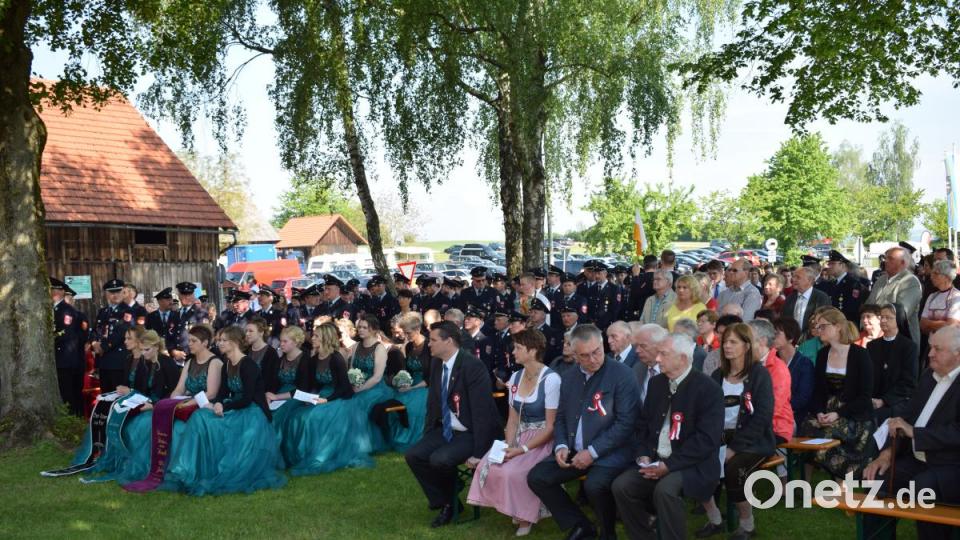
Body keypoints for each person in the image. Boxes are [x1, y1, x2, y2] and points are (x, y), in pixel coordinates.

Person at [527, 324, 640, 540]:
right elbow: (560, 416)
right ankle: (582, 525)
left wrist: (592, 452)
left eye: (596, 352)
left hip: (610, 451)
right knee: (538, 477)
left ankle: (608, 534)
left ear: (602, 345)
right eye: (585, 356)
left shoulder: (622, 375)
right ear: (575, 354)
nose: (593, 359)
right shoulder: (569, 377)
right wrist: (560, 445)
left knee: (594, 485)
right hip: (574, 449)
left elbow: (626, 423)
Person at [611, 332, 723, 540]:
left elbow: (706, 440)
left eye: (664, 354)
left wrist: (669, 465)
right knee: (621, 486)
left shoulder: (708, 390)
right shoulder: (657, 384)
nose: (658, 359)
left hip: (693, 465)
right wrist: (643, 455)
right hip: (655, 459)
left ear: (682, 358)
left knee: (665, 490)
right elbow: (643, 425)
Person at [160, 326, 285, 495]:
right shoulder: (227, 363)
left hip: (252, 412)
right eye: (219, 340)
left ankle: (195, 468)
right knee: (200, 416)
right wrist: (218, 403)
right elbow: (222, 393)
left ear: (234, 343)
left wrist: (223, 406)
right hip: (234, 405)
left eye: (223, 340)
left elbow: (248, 398)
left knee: (206, 420)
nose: (219, 343)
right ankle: (187, 469)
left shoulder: (249, 365)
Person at [862, 325, 960, 540]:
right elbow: (903, 418)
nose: (930, 353)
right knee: (874, 479)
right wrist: (886, 454)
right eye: (931, 347)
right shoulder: (928, 376)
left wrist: (914, 432)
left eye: (938, 349)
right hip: (918, 460)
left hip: (951, 465)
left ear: (958, 353)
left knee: (923, 488)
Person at [405, 321, 502, 528]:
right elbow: (433, 403)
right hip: (446, 428)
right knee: (414, 455)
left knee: (439, 459)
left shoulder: (472, 366)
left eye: (433, 340)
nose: (428, 344)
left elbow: (482, 413)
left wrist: (479, 451)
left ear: (449, 341)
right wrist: (428, 433)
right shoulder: (437, 363)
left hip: (471, 432)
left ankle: (447, 504)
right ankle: (447, 499)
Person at [468, 329, 559, 536]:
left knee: (513, 472)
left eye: (518, 348)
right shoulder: (516, 377)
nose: (514, 352)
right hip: (519, 435)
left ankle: (525, 516)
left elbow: (551, 426)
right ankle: (512, 507)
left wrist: (523, 449)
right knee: (488, 463)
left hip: (542, 439)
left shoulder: (551, 380)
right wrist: (510, 445)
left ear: (533, 350)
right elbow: (512, 419)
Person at [699, 324, 776, 539]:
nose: (727, 346)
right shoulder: (717, 375)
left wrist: (734, 447)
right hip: (719, 436)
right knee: (696, 462)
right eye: (725, 342)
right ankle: (715, 519)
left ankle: (747, 525)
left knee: (734, 469)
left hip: (753, 440)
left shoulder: (759, 375)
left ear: (747, 345)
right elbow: (706, 411)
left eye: (733, 342)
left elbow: (762, 416)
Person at [77, 330, 180, 484]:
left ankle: (141, 465)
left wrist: (154, 405)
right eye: (143, 349)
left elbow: (175, 391)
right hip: (145, 402)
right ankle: (114, 459)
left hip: (162, 406)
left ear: (156, 347)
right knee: (115, 414)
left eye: (147, 350)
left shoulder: (167, 362)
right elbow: (143, 389)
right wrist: (135, 396)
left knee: (139, 425)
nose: (144, 353)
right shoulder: (145, 362)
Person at [799, 308, 875, 478]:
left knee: (824, 434)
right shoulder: (822, 354)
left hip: (854, 416)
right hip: (828, 412)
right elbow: (818, 391)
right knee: (806, 428)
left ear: (838, 327)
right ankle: (803, 485)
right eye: (817, 326)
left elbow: (865, 396)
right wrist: (819, 412)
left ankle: (841, 479)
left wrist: (838, 414)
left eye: (823, 326)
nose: (819, 330)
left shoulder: (860, 355)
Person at [282, 322, 366, 475]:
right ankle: (298, 456)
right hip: (320, 395)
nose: (312, 338)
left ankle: (318, 455)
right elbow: (310, 384)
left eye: (316, 336)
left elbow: (344, 387)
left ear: (325, 339)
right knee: (296, 416)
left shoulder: (336, 358)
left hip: (337, 398)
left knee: (312, 417)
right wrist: (308, 397)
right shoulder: (313, 360)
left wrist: (326, 400)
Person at [348, 315, 394, 454]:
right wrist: (352, 383)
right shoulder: (356, 346)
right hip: (356, 385)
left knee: (358, 406)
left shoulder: (379, 348)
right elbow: (350, 369)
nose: (360, 330)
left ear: (373, 330)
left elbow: (377, 377)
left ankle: (363, 444)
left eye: (364, 327)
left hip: (375, 388)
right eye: (359, 327)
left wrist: (360, 389)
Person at [865, 304, 918, 424]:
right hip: (872, 400)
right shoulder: (872, 346)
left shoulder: (908, 347)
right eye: (881, 317)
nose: (883, 320)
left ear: (898, 320)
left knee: (873, 418)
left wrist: (884, 401)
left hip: (896, 401)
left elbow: (909, 383)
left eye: (888, 317)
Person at [387, 312, 431, 452]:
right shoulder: (409, 347)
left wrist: (412, 388)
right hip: (411, 385)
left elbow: (431, 377)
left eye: (409, 332)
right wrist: (402, 381)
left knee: (411, 406)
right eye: (404, 333)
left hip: (426, 386)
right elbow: (408, 372)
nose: (406, 336)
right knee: (394, 401)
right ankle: (395, 437)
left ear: (418, 330)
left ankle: (412, 439)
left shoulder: (429, 346)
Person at [748, 319, 794, 444]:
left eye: (748, 339)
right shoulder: (747, 364)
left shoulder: (778, 368)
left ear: (762, 341)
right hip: (751, 425)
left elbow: (774, 407)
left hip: (775, 428)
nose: (744, 343)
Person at [866, 246, 922, 343]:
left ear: (903, 263)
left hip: (900, 340)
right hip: (875, 335)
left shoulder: (910, 282)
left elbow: (900, 314)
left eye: (890, 258)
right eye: (885, 258)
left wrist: (873, 319)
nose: (885, 261)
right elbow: (868, 305)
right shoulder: (881, 280)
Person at [90, 279, 134, 393]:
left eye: (118, 292)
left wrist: (102, 347)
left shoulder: (128, 311)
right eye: (112, 292)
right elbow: (95, 330)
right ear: (106, 294)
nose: (115, 295)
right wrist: (94, 343)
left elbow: (121, 332)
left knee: (118, 396)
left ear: (123, 292)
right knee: (105, 394)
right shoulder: (103, 312)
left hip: (118, 361)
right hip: (103, 361)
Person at [262, 326, 306, 439]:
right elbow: (273, 383)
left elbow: (303, 388)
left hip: (297, 396)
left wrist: (276, 397)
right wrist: (268, 395)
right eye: (281, 341)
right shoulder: (280, 360)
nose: (281, 344)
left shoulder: (305, 360)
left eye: (285, 341)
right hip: (279, 395)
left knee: (278, 417)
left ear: (295, 342)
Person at [51, 277, 86, 416]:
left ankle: (73, 420)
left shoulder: (66, 311)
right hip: (61, 358)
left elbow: (65, 334)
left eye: (51, 289)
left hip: (66, 359)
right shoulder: (55, 309)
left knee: (68, 394)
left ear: (57, 292)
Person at [773, 318, 814, 425]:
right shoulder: (771, 361)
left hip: (794, 417)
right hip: (771, 415)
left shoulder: (804, 363)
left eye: (776, 334)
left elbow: (802, 398)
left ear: (790, 338)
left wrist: (778, 410)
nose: (772, 337)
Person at [919, 259, 960, 350]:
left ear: (946, 277)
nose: (931, 276)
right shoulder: (932, 296)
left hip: (950, 348)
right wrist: (943, 323)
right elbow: (922, 324)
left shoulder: (956, 297)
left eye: (935, 273)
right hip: (931, 346)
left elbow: (952, 326)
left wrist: (929, 324)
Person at [782, 266, 832, 334]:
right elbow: (785, 320)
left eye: (798, 277)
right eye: (793, 276)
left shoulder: (822, 298)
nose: (793, 279)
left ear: (810, 280)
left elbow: (825, 323)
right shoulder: (790, 298)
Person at [826, 250, 868, 323]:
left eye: (832, 264)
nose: (829, 266)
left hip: (846, 323)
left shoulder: (852, 283)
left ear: (842, 265)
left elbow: (853, 308)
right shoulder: (832, 283)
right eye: (829, 264)